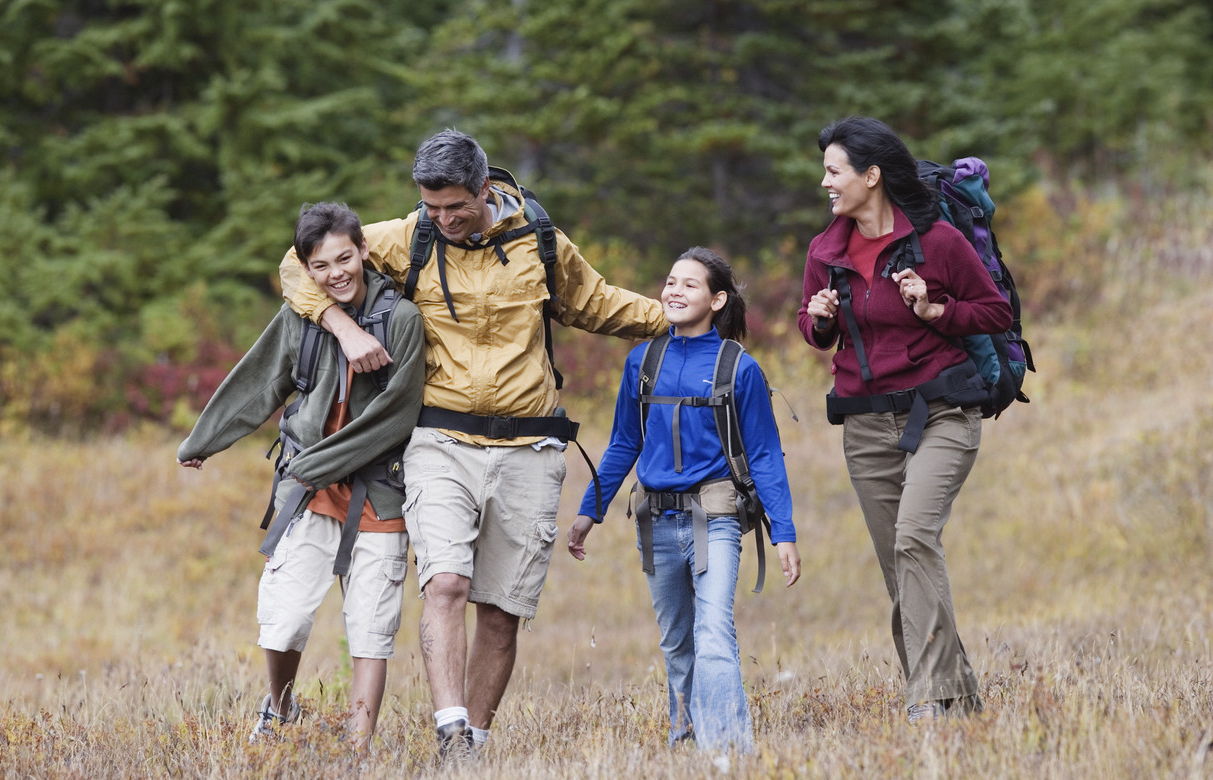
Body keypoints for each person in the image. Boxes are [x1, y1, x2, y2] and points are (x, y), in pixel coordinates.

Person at [277, 129, 668, 759]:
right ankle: (449, 724)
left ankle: (473, 747)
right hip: (439, 439)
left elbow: (600, 304)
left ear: (485, 190)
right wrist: (342, 325)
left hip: (531, 448)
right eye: (432, 208)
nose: (444, 219)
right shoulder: (412, 237)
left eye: (455, 207)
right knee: (446, 584)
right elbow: (299, 262)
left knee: (500, 609)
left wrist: (681, 318)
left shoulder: (540, 242)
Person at [177, 202, 425, 754]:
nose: (337, 272)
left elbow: (398, 413)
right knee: (283, 619)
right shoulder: (302, 317)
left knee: (371, 630)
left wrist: (316, 464)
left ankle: (358, 750)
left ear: (364, 251)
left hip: (378, 494)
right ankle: (281, 709)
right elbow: (260, 378)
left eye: (345, 258)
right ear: (306, 270)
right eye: (321, 265)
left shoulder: (402, 320)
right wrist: (204, 441)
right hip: (309, 498)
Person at [796, 117, 1012, 724]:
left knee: (915, 537)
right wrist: (819, 318)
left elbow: (993, 311)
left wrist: (933, 307)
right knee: (900, 568)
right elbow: (815, 333)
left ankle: (930, 702)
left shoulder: (938, 242)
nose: (825, 183)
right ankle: (958, 699)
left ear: (871, 176)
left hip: (941, 411)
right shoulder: (825, 251)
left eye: (834, 171)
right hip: (865, 426)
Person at [566, 247, 801, 754]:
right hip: (655, 520)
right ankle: (684, 736)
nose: (673, 291)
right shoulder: (642, 360)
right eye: (670, 281)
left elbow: (764, 455)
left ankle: (727, 749)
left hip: (715, 517)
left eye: (689, 285)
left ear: (717, 300)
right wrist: (590, 511)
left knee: (714, 631)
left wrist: (784, 533)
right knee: (677, 641)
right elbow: (624, 443)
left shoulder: (739, 368)